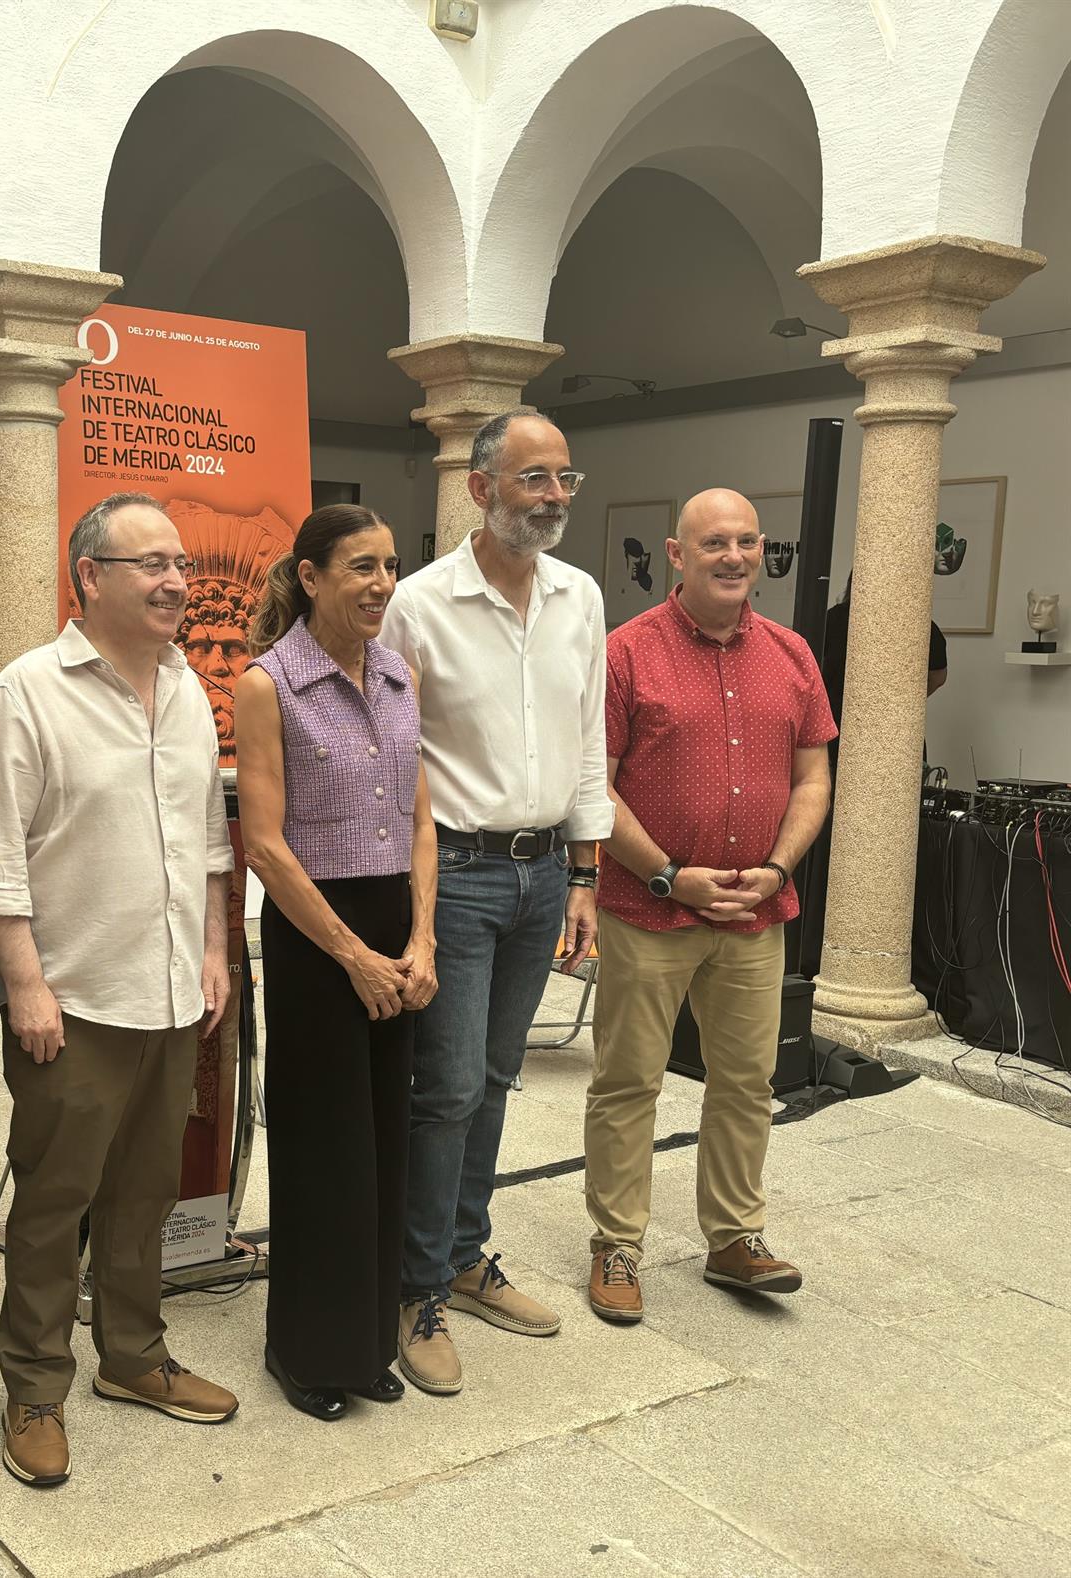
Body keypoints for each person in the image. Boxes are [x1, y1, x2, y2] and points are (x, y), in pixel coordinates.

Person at [0, 491, 238, 1490]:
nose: (174, 581)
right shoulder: (27, 694)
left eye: (179, 564)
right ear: (91, 578)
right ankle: (35, 1387)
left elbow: (209, 846)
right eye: (149, 564)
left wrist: (214, 951)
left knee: (146, 1192)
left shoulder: (188, 693)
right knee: (52, 1201)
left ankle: (133, 1357)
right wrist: (22, 983)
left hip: (169, 998)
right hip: (72, 1001)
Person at [378, 410, 612, 1395]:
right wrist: (417, 906)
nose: (554, 496)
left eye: (565, 477)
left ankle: (466, 1254)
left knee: (502, 1074)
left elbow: (590, 738)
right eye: (533, 479)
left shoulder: (580, 596)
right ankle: (414, 1286)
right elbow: (392, 760)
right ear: (481, 489)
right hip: (458, 873)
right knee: (446, 1090)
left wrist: (589, 874)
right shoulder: (419, 605)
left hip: (545, 870)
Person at [586, 489, 835, 1321]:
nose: (734, 556)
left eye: (748, 542)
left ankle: (734, 1238)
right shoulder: (626, 653)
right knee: (629, 1082)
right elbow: (598, 785)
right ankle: (617, 1245)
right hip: (650, 906)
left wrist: (776, 865)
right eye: (714, 543)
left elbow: (812, 777)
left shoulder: (794, 656)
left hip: (756, 913)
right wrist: (667, 874)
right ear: (676, 555)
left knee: (745, 1082)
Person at [234, 505, 439, 1421]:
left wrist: (421, 940)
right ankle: (307, 1352)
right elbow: (268, 848)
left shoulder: (401, 674)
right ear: (310, 576)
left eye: (390, 566)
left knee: (385, 1142)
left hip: (397, 927)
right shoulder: (267, 684)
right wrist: (355, 956)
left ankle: (363, 1342)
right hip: (319, 935)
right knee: (327, 1149)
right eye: (360, 566)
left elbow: (423, 820)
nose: (381, 584)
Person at [819, 572, 946, 774]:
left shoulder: (918, 624)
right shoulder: (834, 620)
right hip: (844, 732)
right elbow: (938, 677)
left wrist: (905, 702)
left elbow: (938, 676)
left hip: (879, 731)